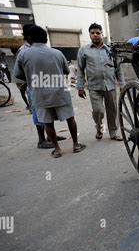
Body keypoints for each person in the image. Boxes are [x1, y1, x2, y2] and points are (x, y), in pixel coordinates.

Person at [14, 25, 86, 158]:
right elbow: (65, 71)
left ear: (29, 38)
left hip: (39, 94)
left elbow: (17, 74)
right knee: (70, 119)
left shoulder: (23, 54)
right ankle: (76, 145)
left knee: (48, 122)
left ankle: (57, 149)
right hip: (60, 92)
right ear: (46, 39)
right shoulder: (57, 53)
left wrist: (31, 77)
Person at [13, 24, 66, 149]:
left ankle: (50, 136)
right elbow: (18, 74)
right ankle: (41, 139)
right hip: (35, 87)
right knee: (39, 113)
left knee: (48, 113)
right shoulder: (24, 50)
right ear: (29, 37)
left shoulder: (36, 49)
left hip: (46, 85)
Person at [77, 23, 125, 141]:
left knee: (112, 110)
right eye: (92, 33)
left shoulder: (110, 50)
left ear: (101, 34)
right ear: (89, 35)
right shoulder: (84, 50)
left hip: (110, 86)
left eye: (97, 33)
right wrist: (80, 86)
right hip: (94, 87)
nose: (95, 35)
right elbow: (80, 69)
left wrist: (122, 84)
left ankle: (113, 133)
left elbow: (118, 68)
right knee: (98, 111)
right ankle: (99, 129)